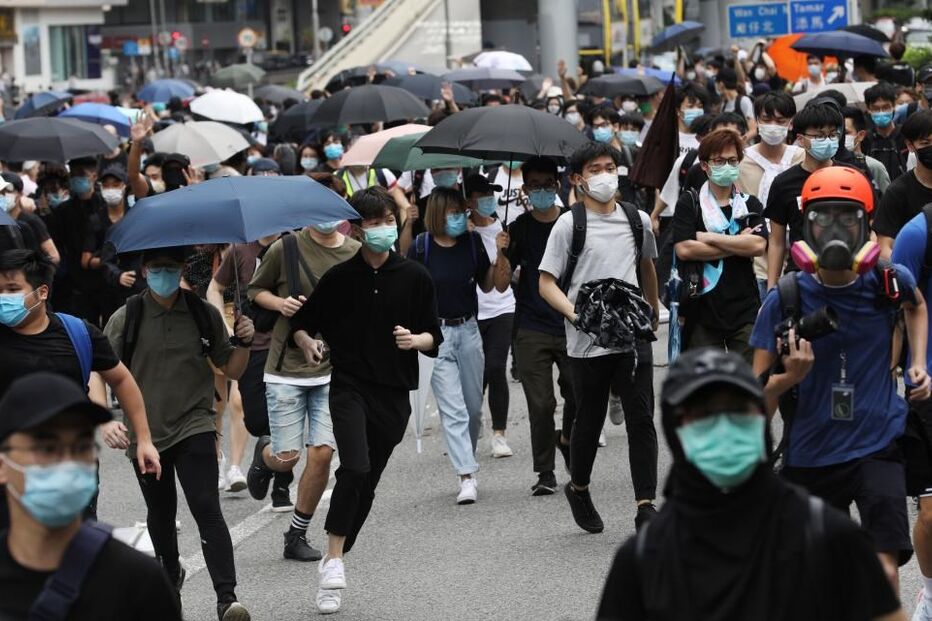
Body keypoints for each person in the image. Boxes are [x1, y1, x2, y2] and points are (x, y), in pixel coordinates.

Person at [597, 348, 906, 621]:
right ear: (675, 431)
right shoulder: (643, 560)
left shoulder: (828, 537)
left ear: (760, 420)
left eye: (737, 410)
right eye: (704, 414)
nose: (724, 427)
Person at [752, 166, 930, 590]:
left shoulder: (888, 280)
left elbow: (917, 306)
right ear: (806, 225)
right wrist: (785, 378)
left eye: (847, 218)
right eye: (822, 218)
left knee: (883, 572)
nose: (836, 228)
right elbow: (751, 404)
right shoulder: (786, 298)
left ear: (866, 222)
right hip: (811, 455)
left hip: (878, 445)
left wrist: (917, 361)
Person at [289, 187, 441, 614]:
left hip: (393, 395)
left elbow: (434, 335)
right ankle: (334, 559)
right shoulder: (340, 279)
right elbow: (303, 323)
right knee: (353, 466)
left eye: (387, 221)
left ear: (397, 221)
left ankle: (333, 554)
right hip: (349, 386)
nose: (381, 229)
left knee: (367, 483)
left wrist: (415, 339)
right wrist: (307, 343)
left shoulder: (415, 277)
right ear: (357, 228)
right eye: (372, 223)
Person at [104, 245, 255, 621]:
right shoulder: (128, 317)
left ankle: (227, 598)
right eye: (156, 268)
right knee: (161, 512)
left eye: (171, 268)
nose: (164, 275)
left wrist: (245, 342)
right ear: (143, 270)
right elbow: (99, 367)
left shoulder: (202, 313)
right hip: (145, 435)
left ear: (183, 268)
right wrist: (106, 418)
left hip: (196, 424)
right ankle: (170, 580)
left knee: (206, 506)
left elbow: (231, 369)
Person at [538, 141, 660, 534]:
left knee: (641, 418)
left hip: (631, 336)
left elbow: (646, 267)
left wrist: (652, 311)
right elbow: (546, 283)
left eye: (611, 167)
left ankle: (645, 505)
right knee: (588, 421)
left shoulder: (636, 218)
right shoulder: (568, 224)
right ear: (577, 179)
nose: (606, 175)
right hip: (586, 342)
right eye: (595, 169)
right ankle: (579, 487)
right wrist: (579, 316)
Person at [0, 372, 182, 621]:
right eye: (46, 448)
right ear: (3, 465)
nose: (66, 462)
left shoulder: (138, 580)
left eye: (81, 446)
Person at [246, 218, 360, 559]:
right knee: (287, 459)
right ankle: (265, 454)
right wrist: (280, 304)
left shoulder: (355, 252)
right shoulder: (286, 247)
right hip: (287, 370)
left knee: (323, 452)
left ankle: (296, 533)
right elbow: (255, 290)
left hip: (334, 371)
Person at [406, 187, 512, 504]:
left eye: (461, 212)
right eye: (453, 212)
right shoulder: (421, 247)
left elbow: (489, 284)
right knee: (452, 409)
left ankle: (466, 455)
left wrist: (499, 253)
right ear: (438, 213)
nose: (459, 218)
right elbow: (407, 287)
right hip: (435, 335)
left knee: (473, 407)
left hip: (468, 330)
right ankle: (466, 475)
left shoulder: (472, 243)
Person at [506, 156, 577, 495]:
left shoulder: (572, 222)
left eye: (548, 183)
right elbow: (499, 284)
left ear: (558, 184)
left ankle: (567, 439)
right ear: (524, 190)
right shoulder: (517, 229)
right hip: (531, 326)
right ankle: (545, 472)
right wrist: (501, 253)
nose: (543, 190)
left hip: (571, 323)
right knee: (540, 403)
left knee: (577, 394)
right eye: (535, 185)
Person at [673, 128, 767, 362]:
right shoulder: (690, 203)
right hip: (702, 308)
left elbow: (758, 246)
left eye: (732, 160)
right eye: (719, 161)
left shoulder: (749, 203)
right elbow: (685, 249)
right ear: (705, 165)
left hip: (744, 307)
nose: (727, 166)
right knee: (707, 386)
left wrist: (708, 237)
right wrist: (738, 242)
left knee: (748, 382)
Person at [892, 209, 932, 620]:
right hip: (929, 388)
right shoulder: (918, 232)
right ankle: (930, 594)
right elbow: (900, 309)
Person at [764, 101, 847, 288]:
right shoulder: (783, 183)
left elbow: (869, 229)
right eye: (819, 136)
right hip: (801, 276)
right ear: (800, 139)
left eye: (833, 135)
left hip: (846, 273)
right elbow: (776, 242)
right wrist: (771, 287)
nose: (827, 140)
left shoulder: (851, 177)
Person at [465, 173, 516, 458]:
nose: (488, 200)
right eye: (481, 195)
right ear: (469, 201)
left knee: (496, 367)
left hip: (502, 307)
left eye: (491, 194)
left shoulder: (505, 228)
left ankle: (500, 434)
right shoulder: (462, 231)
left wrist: (502, 250)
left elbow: (508, 274)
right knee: (475, 375)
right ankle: (475, 416)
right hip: (472, 311)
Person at [873, 110, 932, 259]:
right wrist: (905, 274)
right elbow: (884, 246)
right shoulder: (898, 192)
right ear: (910, 145)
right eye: (925, 143)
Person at [0, 172, 58, 263]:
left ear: (20, 194)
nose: (2, 196)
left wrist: (35, 271)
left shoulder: (30, 221)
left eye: (7, 191)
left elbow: (53, 256)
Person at [863, 82, 908, 182]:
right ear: (868, 109)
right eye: (876, 108)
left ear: (893, 105)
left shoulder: (906, 135)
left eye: (886, 107)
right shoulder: (865, 139)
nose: (881, 112)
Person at [843, 106, 892, 193]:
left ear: (861, 135)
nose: (841, 137)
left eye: (846, 133)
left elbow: (886, 203)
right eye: (836, 133)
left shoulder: (873, 167)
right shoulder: (830, 165)